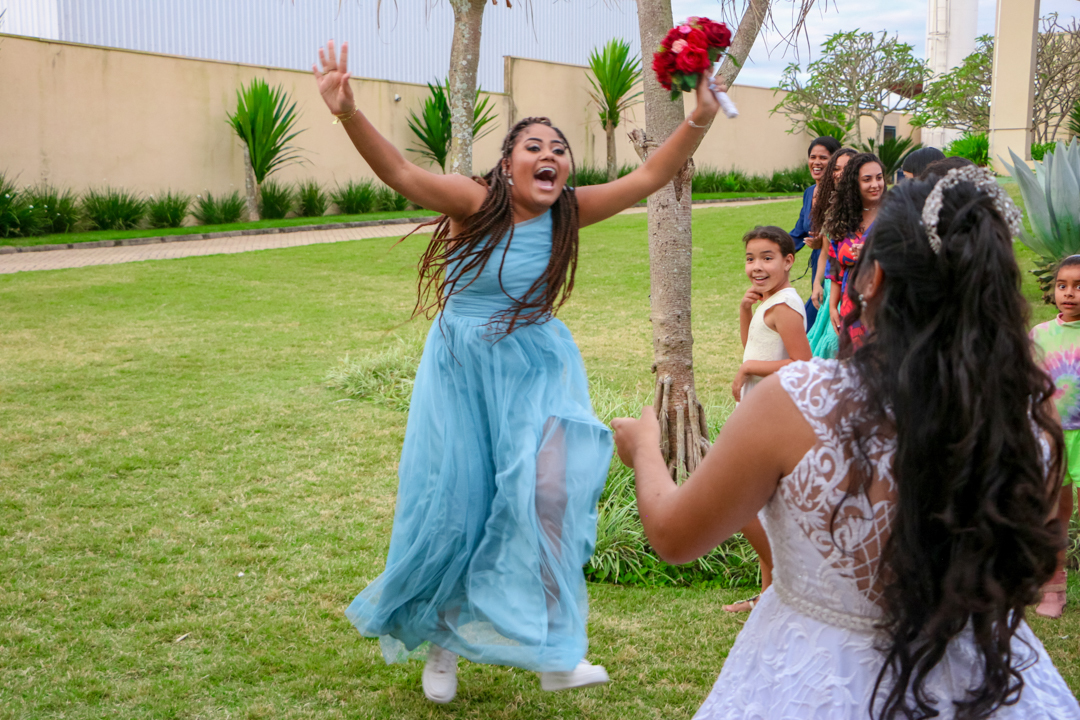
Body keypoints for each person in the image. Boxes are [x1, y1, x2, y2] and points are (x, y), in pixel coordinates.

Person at [312, 41, 723, 703]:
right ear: (506, 166)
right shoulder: (473, 201)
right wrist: (349, 113)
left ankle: (557, 652)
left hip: (536, 367)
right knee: (461, 505)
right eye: (535, 146)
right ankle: (444, 642)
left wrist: (698, 116)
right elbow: (400, 174)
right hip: (464, 370)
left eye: (559, 149)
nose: (550, 156)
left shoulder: (568, 211)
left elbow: (650, 179)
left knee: (550, 494)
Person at [611, 167, 1080, 719]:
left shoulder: (798, 399)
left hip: (814, 681)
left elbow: (674, 535)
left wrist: (644, 446)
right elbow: (1044, 543)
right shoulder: (1027, 412)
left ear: (874, 276)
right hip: (989, 683)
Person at [724, 225, 810, 613]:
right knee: (762, 509)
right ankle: (767, 596)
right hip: (758, 413)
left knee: (759, 509)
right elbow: (752, 349)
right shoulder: (767, 303)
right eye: (750, 258)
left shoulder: (785, 306)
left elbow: (803, 365)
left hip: (774, 418)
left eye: (767, 258)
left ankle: (786, 591)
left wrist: (749, 370)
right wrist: (745, 310)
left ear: (789, 261)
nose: (757, 266)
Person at [1030, 254, 1080, 619]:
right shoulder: (1040, 335)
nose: (1069, 293)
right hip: (1054, 438)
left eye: (1078, 286)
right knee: (1056, 514)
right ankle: (1053, 584)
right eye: (1063, 285)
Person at [824, 153, 884, 348]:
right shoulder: (845, 218)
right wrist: (833, 306)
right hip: (849, 307)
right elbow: (834, 265)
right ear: (854, 184)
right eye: (867, 179)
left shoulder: (893, 214)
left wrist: (871, 255)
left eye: (879, 177)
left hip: (882, 304)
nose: (875, 184)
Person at [805, 147, 855, 358]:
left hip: (854, 288)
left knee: (838, 344)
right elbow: (828, 253)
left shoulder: (868, 209)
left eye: (847, 169)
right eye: (836, 168)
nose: (839, 173)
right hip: (831, 284)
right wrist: (817, 283)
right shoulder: (832, 208)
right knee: (824, 342)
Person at [789, 137, 841, 329]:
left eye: (823, 157)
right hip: (818, 266)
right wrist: (773, 253)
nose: (816, 162)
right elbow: (799, 232)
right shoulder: (810, 192)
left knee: (812, 324)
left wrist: (824, 243)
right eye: (812, 157)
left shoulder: (841, 194)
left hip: (836, 268)